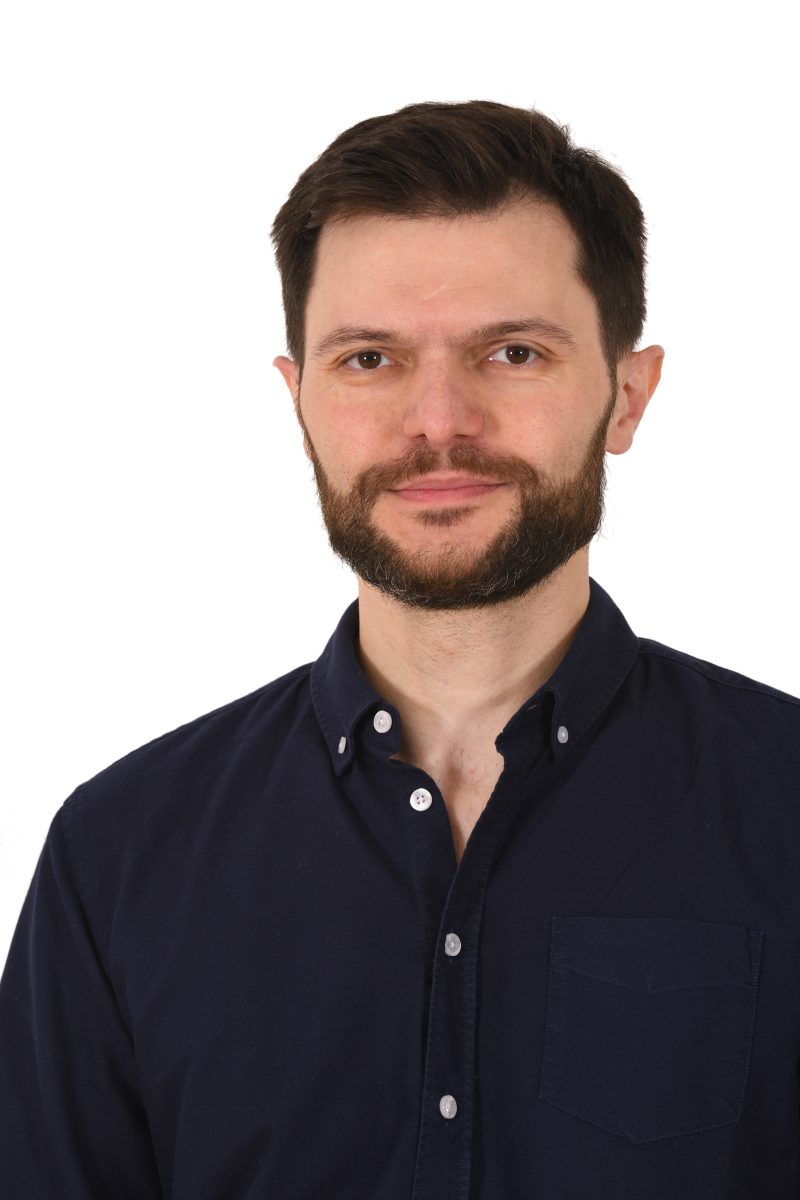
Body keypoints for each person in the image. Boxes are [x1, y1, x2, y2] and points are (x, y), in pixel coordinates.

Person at [1, 99, 799, 1200]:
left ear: (627, 395)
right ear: (300, 401)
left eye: (512, 352)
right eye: (369, 358)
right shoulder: (120, 854)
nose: (437, 420)